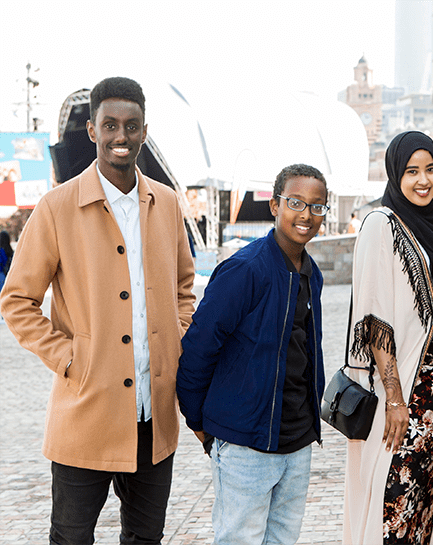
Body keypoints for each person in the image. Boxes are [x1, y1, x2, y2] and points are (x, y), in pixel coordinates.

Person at [0, 77, 196, 544]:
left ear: (145, 131)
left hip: (154, 418)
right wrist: (70, 359)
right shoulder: (56, 207)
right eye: (109, 125)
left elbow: (184, 287)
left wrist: (177, 337)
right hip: (85, 414)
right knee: (71, 538)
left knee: (146, 539)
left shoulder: (166, 204)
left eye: (131, 125)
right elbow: (17, 300)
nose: (120, 136)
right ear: (92, 130)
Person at [176, 164, 328, 544]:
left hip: (297, 441)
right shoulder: (245, 270)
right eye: (296, 202)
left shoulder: (312, 273)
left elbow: (305, 353)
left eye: (317, 206)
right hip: (245, 443)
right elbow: (197, 348)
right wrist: (199, 420)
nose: (306, 214)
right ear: (275, 206)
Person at [343, 131, 433, 545]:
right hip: (401, 397)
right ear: (395, 174)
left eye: (431, 169)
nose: (423, 180)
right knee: (393, 502)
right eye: (412, 171)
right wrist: (395, 399)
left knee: (431, 502)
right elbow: (374, 317)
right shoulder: (381, 225)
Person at [0, 230, 12, 294]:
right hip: (10, 276)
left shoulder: (1, 250)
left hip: (1, 275)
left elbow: (2, 261)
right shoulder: (11, 251)